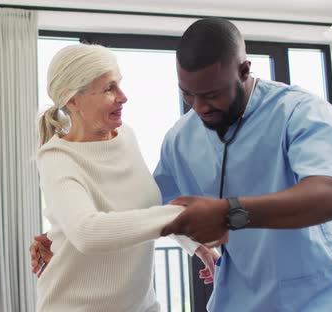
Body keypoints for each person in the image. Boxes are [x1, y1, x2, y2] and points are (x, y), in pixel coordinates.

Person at [32, 18, 332, 311]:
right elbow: (149, 204)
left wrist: (229, 213)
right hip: (237, 300)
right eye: (188, 95)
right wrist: (62, 230)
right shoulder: (182, 137)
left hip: (313, 298)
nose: (200, 108)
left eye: (212, 94)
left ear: (244, 71)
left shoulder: (300, 112)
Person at [34, 43, 217, 312]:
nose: (123, 96)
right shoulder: (57, 158)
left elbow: (142, 208)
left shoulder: (127, 137)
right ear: (72, 99)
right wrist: (182, 215)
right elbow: (87, 232)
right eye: (109, 88)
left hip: (142, 305)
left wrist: (196, 245)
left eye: (119, 84)